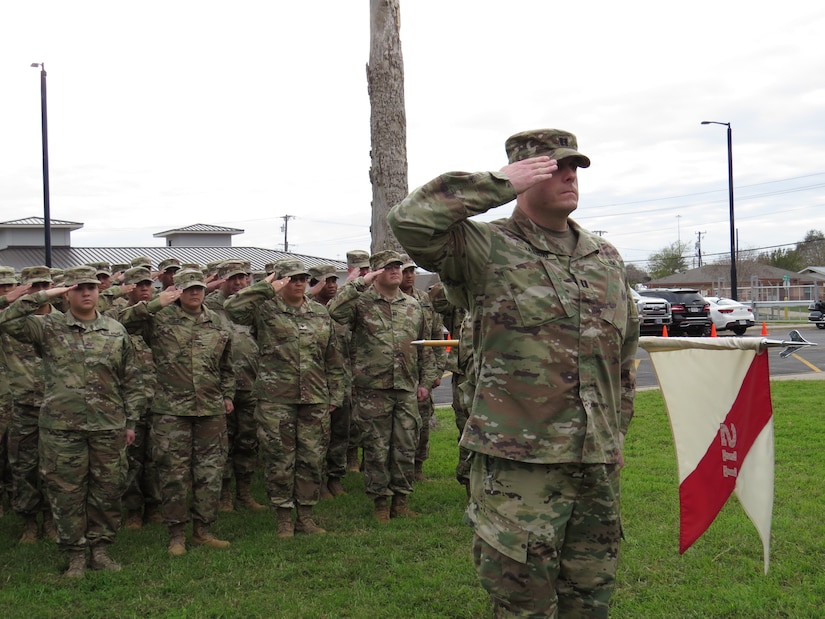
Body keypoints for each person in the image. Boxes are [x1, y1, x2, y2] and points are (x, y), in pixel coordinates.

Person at [388, 128, 639, 617]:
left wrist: (615, 435)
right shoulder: (486, 247)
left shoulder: (603, 257)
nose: (570, 176)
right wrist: (496, 183)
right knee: (522, 601)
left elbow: (621, 355)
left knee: (591, 596)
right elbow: (411, 221)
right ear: (524, 176)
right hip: (519, 463)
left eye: (575, 168)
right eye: (556, 167)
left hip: (594, 461)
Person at [0, 265, 145, 578]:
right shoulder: (48, 326)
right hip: (61, 429)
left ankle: (101, 549)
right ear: (66, 293)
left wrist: (131, 421)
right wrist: (42, 294)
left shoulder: (115, 330)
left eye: (91, 287)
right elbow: (6, 319)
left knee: (107, 490)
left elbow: (132, 378)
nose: (86, 293)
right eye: (78, 288)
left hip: (108, 426)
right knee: (67, 493)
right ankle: (75, 554)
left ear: (98, 291)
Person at [119, 268, 235, 556]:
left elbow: (228, 366)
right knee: (174, 474)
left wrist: (228, 395)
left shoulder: (217, 321)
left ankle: (203, 530)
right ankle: (176, 534)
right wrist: (158, 302)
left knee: (209, 473)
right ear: (177, 291)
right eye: (188, 289)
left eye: (198, 288)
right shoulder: (158, 319)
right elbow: (123, 323)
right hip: (171, 410)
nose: (195, 293)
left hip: (210, 410)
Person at [225, 259, 344, 537]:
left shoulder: (319, 313)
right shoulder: (264, 311)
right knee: (279, 459)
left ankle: (305, 516)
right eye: (292, 278)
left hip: (314, 397)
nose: (299, 283)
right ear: (280, 281)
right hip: (275, 399)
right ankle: (283, 517)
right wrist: (266, 287)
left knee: (312, 458)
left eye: (303, 278)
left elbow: (333, 357)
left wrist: (335, 393)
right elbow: (233, 308)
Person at [328, 250, 438, 523]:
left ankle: (401, 501)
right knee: (376, 448)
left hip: (405, 388)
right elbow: (334, 311)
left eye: (398, 266)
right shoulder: (360, 303)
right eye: (388, 267)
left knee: (405, 446)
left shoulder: (412, 306)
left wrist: (424, 382)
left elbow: (424, 348)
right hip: (372, 389)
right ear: (376, 272)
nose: (395, 270)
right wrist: (359, 282)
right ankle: (380, 503)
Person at [203, 260, 265, 512]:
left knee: (248, 440)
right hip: (220, 387)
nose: (239, 283)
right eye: (233, 278)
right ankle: (224, 495)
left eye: (243, 277)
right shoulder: (209, 307)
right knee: (222, 443)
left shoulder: (253, 307)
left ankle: (245, 493)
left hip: (251, 384)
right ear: (221, 279)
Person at [2, 267, 57, 542]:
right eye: (34, 286)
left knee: (54, 466)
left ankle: (50, 518)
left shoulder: (63, 321)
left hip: (56, 406)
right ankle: (28, 523)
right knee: (24, 467)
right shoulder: (8, 322)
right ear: (25, 289)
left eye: (45, 285)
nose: (40, 291)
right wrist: (8, 300)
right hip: (23, 405)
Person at [106, 266, 162, 528]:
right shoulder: (117, 319)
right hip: (130, 401)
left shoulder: (163, 316)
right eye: (138, 284)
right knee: (131, 459)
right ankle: (133, 510)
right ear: (127, 287)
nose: (144, 289)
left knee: (157, 456)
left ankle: (155, 506)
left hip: (161, 399)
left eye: (148, 284)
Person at [398, 254, 446, 483]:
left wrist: (436, 372)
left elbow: (437, 335)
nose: (409, 276)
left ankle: (417, 468)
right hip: (399, 369)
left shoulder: (424, 299)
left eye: (412, 272)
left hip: (423, 367)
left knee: (423, 421)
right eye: (405, 271)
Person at [308, 264, 351, 498]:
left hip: (342, 380)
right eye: (326, 281)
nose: (332, 285)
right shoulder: (308, 309)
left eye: (335, 281)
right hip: (315, 382)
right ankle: (319, 481)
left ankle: (336, 478)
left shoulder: (342, 311)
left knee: (341, 432)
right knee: (318, 436)